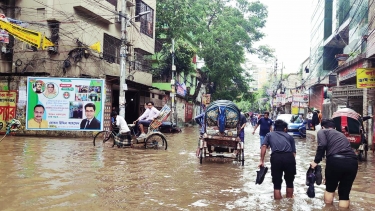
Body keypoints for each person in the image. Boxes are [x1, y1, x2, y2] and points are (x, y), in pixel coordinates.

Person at [310, 119, 358, 208]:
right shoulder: (340, 134)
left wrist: (316, 161)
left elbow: (322, 145)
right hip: (352, 162)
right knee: (344, 193)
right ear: (334, 127)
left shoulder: (322, 131)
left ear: (322, 126)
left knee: (330, 189)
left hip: (335, 161)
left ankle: (328, 209)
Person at [259, 119, 296, 200]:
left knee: (277, 183)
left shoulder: (269, 135)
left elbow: (264, 146)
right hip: (289, 158)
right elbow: (293, 153)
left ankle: (277, 204)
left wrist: (261, 160)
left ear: (274, 127)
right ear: (285, 129)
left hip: (276, 158)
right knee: (290, 182)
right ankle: (289, 202)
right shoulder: (290, 137)